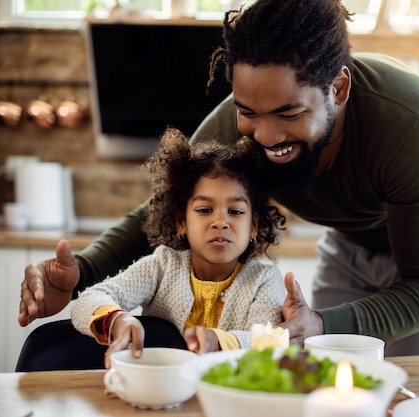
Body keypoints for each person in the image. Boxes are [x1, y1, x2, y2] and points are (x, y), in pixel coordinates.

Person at [18, 0, 419, 368]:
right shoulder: (237, 126)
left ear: (338, 88)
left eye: (289, 113)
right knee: (322, 379)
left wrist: (325, 323)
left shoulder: (411, 127)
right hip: (353, 233)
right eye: (249, 112)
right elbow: (166, 212)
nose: (266, 137)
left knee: (410, 383)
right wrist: (81, 272)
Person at [73, 128, 287, 365]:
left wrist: (217, 341)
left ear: (254, 226)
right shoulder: (162, 267)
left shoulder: (265, 280)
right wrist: (117, 321)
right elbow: (89, 299)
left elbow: (267, 342)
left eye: (235, 211)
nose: (220, 222)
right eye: (205, 210)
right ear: (181, 222)